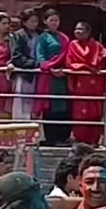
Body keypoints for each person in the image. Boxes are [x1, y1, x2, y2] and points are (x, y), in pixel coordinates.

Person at [64, 21, 106, 146]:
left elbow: (103, 58)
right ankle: (80, 140)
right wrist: (85, 66)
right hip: (80, 84)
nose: (78, 31)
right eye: (76, 29)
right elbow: (69, 63)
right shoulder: (72, 45)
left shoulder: (97, 46)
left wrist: (93, 66)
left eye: (81, 29)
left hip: (95, 84)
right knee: (80, 112)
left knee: (95, 111)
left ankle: (94, 140)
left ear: (88, 32)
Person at [34, 9, 72, 146]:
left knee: (64, 106)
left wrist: (65, 69)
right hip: (48, 77)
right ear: (45, 21)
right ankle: (51, 138)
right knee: (50, 107)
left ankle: (63, 137)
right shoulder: (43, 38)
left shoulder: (64, 38)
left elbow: (69, 55)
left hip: (62, 76)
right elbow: (40, 57)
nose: (54, 23)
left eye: (56, 20)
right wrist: (51, 69)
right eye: (51, 20)